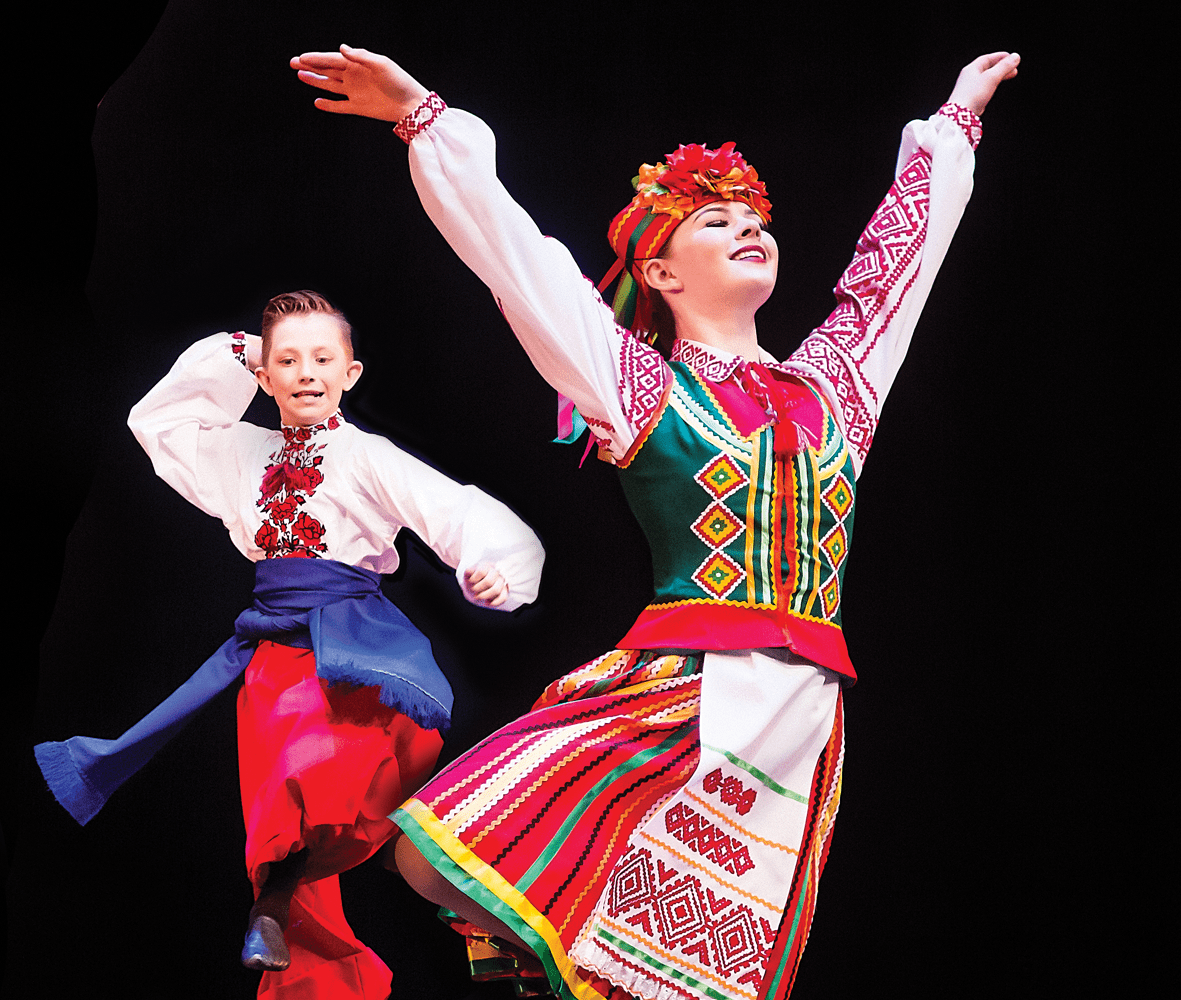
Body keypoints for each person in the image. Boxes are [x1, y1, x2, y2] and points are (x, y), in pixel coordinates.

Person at [289, 45, 1017, 1000]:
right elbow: (523, 266)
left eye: (755, 219)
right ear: (662, 271)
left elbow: (899, 270)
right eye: (718, 222)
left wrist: (954, 126)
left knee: (691, 978)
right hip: (679, 697)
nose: (749, 228)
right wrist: (425, 118)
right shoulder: (637, 388)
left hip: (799, 724)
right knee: (445, 853)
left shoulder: (838, 384)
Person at [34, 290, 546, 999]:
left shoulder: (367, 456)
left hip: (358, 647)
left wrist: (492, 569)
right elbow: (161, 422)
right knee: (288, 798)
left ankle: (289, 905)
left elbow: (451, 507)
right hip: (275, 648)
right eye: (287, 360)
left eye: (323, 358)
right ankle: (283, 914)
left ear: (351, 372)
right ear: (265, 375)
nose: (307, 373)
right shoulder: (242, 453)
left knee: (343, 778)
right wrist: (237, 352)